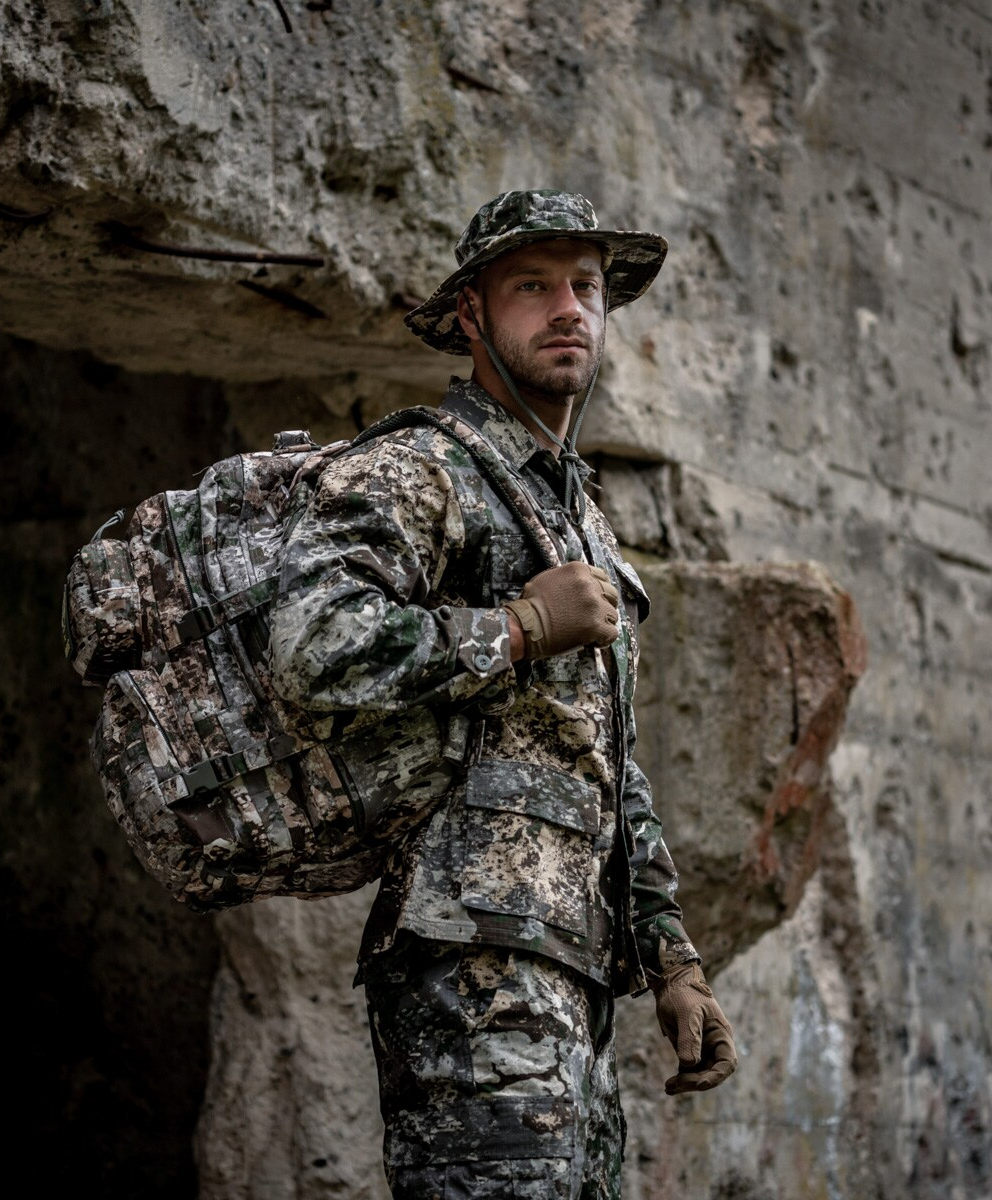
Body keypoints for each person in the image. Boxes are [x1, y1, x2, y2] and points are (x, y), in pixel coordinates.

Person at [269, 189, 737, 1199]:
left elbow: (604, 757)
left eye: (587, 286)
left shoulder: (574, 509)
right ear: (472, 312)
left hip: (573, 980)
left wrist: (673, 962)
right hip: (470, 975)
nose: (569, 308)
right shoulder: (423, 466)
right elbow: (311, 644)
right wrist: (519, 627)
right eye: (533, 286)